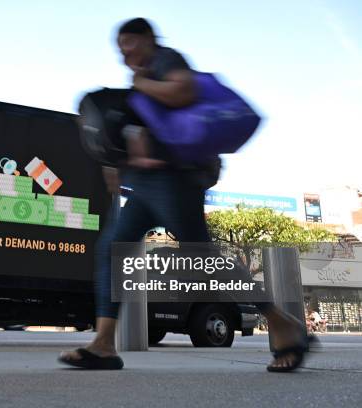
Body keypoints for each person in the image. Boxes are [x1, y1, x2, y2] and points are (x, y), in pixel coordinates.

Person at [59, 17, 316, 372]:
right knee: (112, 250)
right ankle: (103, 344)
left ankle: (282, 323)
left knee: (205, 262)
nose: (125, 55)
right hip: (148, 185)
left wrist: (141, 84)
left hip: (174, 182)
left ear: (147, 38)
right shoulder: (146, 75)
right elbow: (140, 126)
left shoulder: (165, 61)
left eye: (129, 45)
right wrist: (115, 161)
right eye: (120, 50)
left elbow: (184, 92)